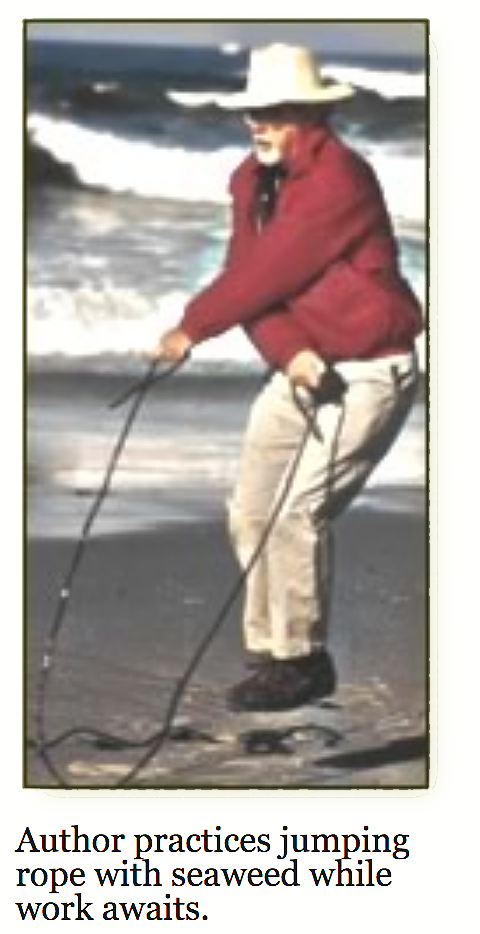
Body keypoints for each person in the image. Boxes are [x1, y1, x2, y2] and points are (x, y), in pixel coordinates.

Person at [152, 44, 423, 712]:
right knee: (250, 510)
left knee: (299, 512)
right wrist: (292, 352)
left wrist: (193, 327)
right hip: (306, 368)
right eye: (253, 112)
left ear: (310, 115)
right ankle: (273, 654)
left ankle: (303, 659)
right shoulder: (250, 180)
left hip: (372, 369)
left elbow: (268, 273)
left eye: (275, 113)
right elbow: (257, 290)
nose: (258, 124)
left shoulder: (340, 180)